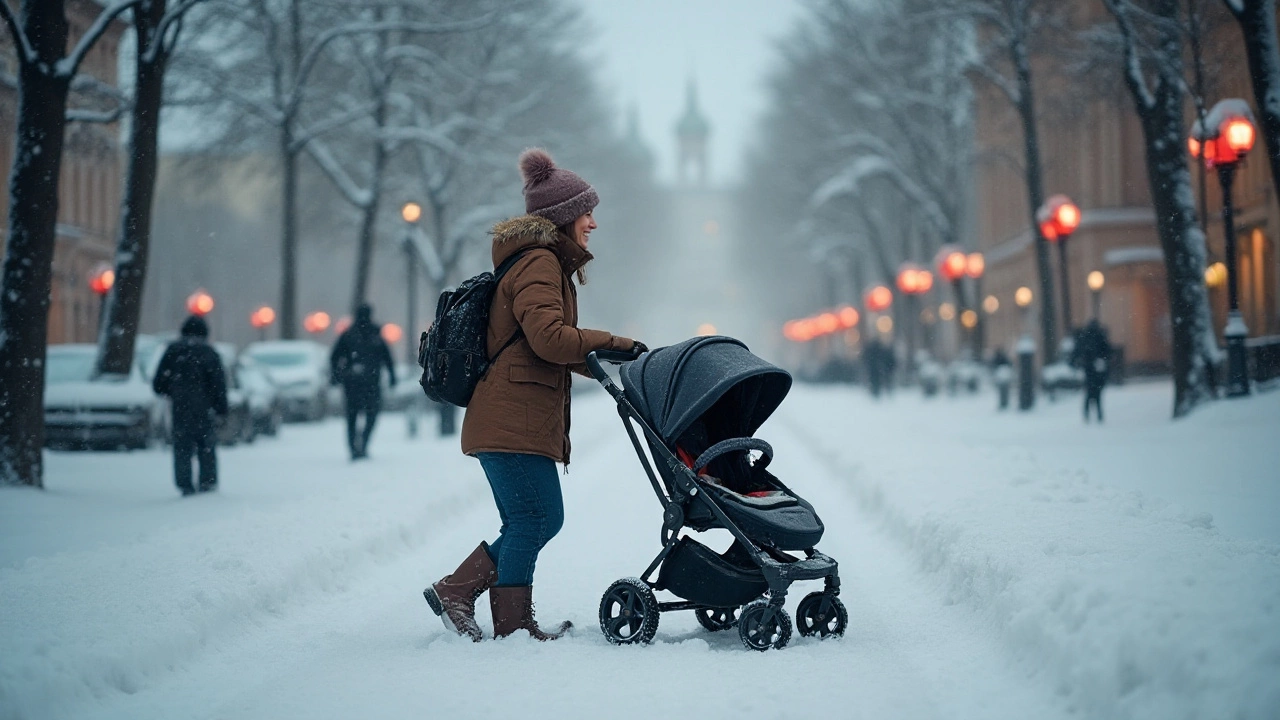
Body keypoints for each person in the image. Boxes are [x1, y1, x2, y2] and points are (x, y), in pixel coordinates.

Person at [422, 148, 643, 642]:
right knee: (536, 517)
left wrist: (615, 364)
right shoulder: (540, 264)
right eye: (588, 212)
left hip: (512, 417)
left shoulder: (543, 264)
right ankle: (485, 608)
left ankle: (478, 603)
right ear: (564, 217)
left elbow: (548, 346)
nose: (593, 223)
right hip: (509, 419)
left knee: (532, 518)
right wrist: (614, 342)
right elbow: (549, 339)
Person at [153, 316, 229, 496]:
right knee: (206, 445)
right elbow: (219, 385)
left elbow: (158, 383)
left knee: (182, 446)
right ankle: (207, 481)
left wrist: (172, 392)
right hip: (204, 409)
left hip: (180, 408)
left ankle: (184, 483)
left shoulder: (173, 351)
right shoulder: (209, 353)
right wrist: (221, 409)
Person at [330, 304, 396, 460]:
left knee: (354, 417)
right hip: (367, 382)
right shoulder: (373, 336)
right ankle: (361, 445)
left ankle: (356, 446)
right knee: (368, 415)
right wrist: (392, 376)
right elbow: (388, 358)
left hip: (355, 382)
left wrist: (336, 375)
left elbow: (334, 357)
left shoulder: (350, 335)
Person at [1071, 319, 1112, 423]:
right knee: (1096, 392)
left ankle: (1088, 413)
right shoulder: (1098, 336)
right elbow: (1107, 351)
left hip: (1089, 368)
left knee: (1089, 392)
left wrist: (1077, 362)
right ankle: (1097, 413)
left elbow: (1077, 352)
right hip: (1096, 368)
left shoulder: (1085, 337)